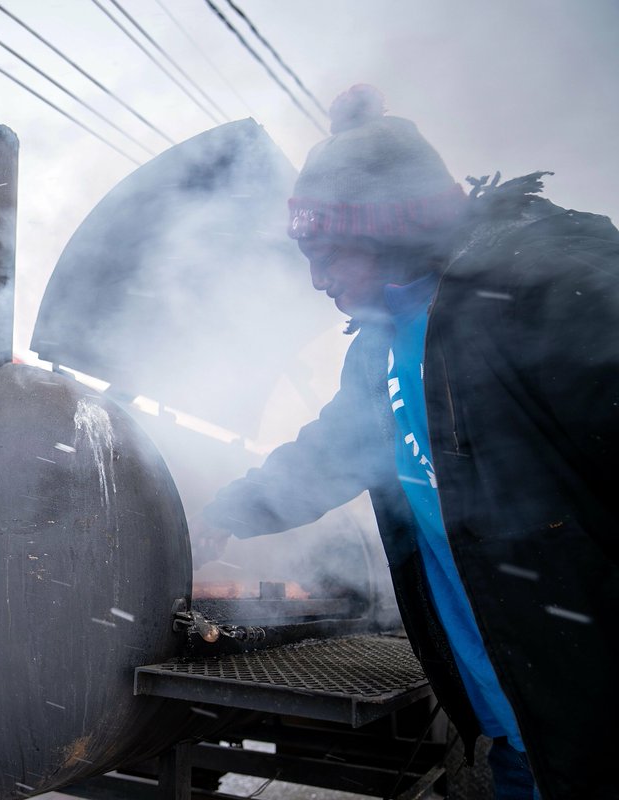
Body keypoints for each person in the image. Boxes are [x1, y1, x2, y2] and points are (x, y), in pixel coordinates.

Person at [199, 85, 619, 800]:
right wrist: (222, 515)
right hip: (518, 729)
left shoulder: (543, 290)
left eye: (330, 252)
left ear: (390, 230)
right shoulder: (380, 348)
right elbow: (331, 451)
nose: (317, 278)